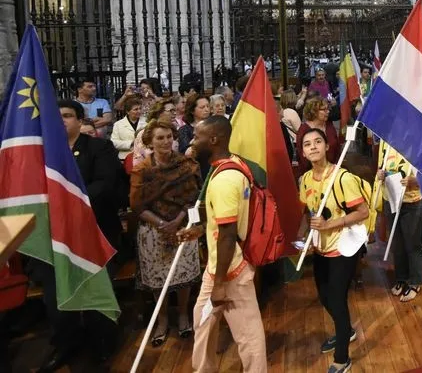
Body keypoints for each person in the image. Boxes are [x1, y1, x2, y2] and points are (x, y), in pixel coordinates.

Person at [29, 100, 122, 372]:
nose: (62, 120)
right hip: (54, 237)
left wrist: (68, 207)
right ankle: (66, 344)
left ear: (80, 120)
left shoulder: (99, 147)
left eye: (68, 115)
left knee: (93, 288)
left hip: (91, 232)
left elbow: (104, 185)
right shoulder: (42, 153)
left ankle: (102, 344)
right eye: (56, 116)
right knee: (56, 297)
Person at [177, 116, 267, 372]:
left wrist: (219, 285)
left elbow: (228, 234)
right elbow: (225, 220)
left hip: (230, 272)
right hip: (217, 267)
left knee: (248, 336)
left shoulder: (225, 179)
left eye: (197, 136)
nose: (193, 142)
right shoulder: (233, 163)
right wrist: (199, 230)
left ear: (213, 139)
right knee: (202, 323)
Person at [296, 127, 370, 373]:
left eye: (318, 142)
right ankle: (346, 331)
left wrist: (330, 224)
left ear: (327, 146)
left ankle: (342, 357)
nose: (313, 147)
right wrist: (305, 236)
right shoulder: (305, 180)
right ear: (303, 152)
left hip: (343, 248)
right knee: (324, 297)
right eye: (308, 144)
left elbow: (363, 212)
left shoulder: (342, 178)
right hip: (320, 249)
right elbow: (308, 212)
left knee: (337, 301)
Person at [130, 120, 202, 346]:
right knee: (157, 278)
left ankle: (182, 314)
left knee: (183, 275)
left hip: (182, 225)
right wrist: (162, 223)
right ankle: (161, 320)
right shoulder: (142, 170)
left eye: (169, 136)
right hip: (153, 229)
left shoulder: (187, 164)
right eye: (160, 138)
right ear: (150, 142)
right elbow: (137, 205)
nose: (166, 141)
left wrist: (178, 221)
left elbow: (194, 198)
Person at [375, 141, 422, 302]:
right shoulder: (385, 139)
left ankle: (416, 281)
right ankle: (401, 278)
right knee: (397, 242)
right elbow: (381, 164)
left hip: (412, 201)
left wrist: (416, 182)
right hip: (390, 197)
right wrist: (380, 174)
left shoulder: (419, 141)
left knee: (412, 243)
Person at [296, 98, 339, 177]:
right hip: (312, 174)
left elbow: (337, 148)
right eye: (324, 109)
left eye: (328, 109)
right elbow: (303, 157)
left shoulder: (329, 125)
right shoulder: (303, 130)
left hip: (333, 172)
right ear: (314, 112)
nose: (328, 111)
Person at [111, 95, 145, 160]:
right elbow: (114, 142)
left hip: (143, 157)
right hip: (124, 157)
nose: (139, 111)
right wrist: (131, 143)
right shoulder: (118, 124)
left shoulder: (146, 122)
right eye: (136, 109)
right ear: (127, 111)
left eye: (140, 108)